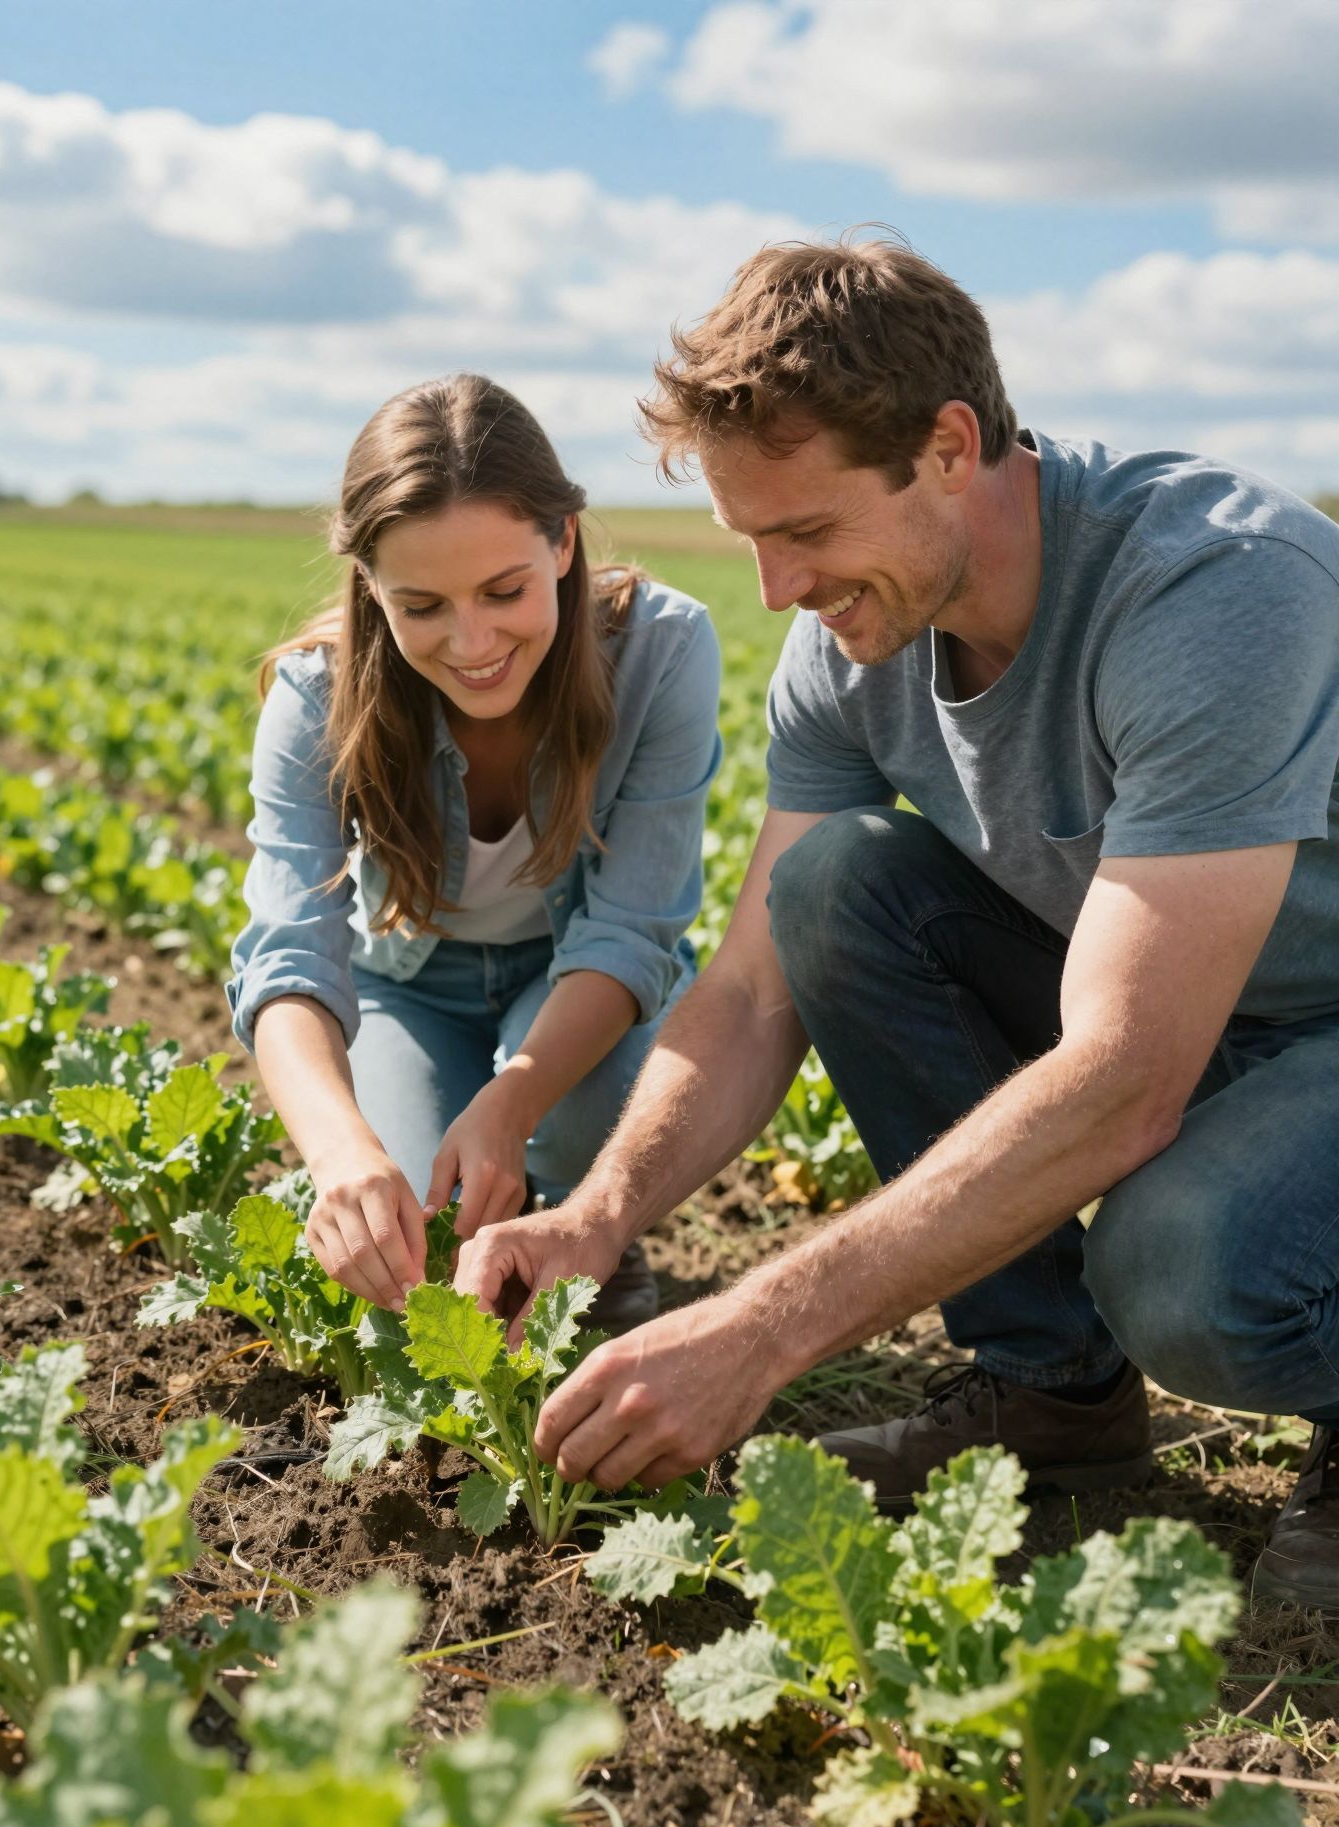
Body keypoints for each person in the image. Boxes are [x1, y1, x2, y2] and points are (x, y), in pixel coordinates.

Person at [457, 238, 1339, 1610]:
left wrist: (759, 1329)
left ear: (947, 446)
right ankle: (1053, 1392)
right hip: (1202, 1014)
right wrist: (597, 1216)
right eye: (753, 541)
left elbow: (1125, 1081)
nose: (779, 590)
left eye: (806, 532)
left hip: (1315, 1025)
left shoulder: (1215, 590)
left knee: (1185, 1270)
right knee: (835, 886)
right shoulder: (850, 654)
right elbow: (750, 992)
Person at [226, 372, 722, 1335]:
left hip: (578, 980)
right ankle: (507, 1229)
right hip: (410, 990)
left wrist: (513, 1100)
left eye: (505, 591)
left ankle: (589, 1231)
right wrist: (339, 1156)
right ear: (370, 584)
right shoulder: (314, 695)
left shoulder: (662, 650)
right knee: (417, 1229)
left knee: (575, 1121)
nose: (473, 641)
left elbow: (630, 931)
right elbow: (287, 954)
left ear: (564, 540)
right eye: (421, 606)